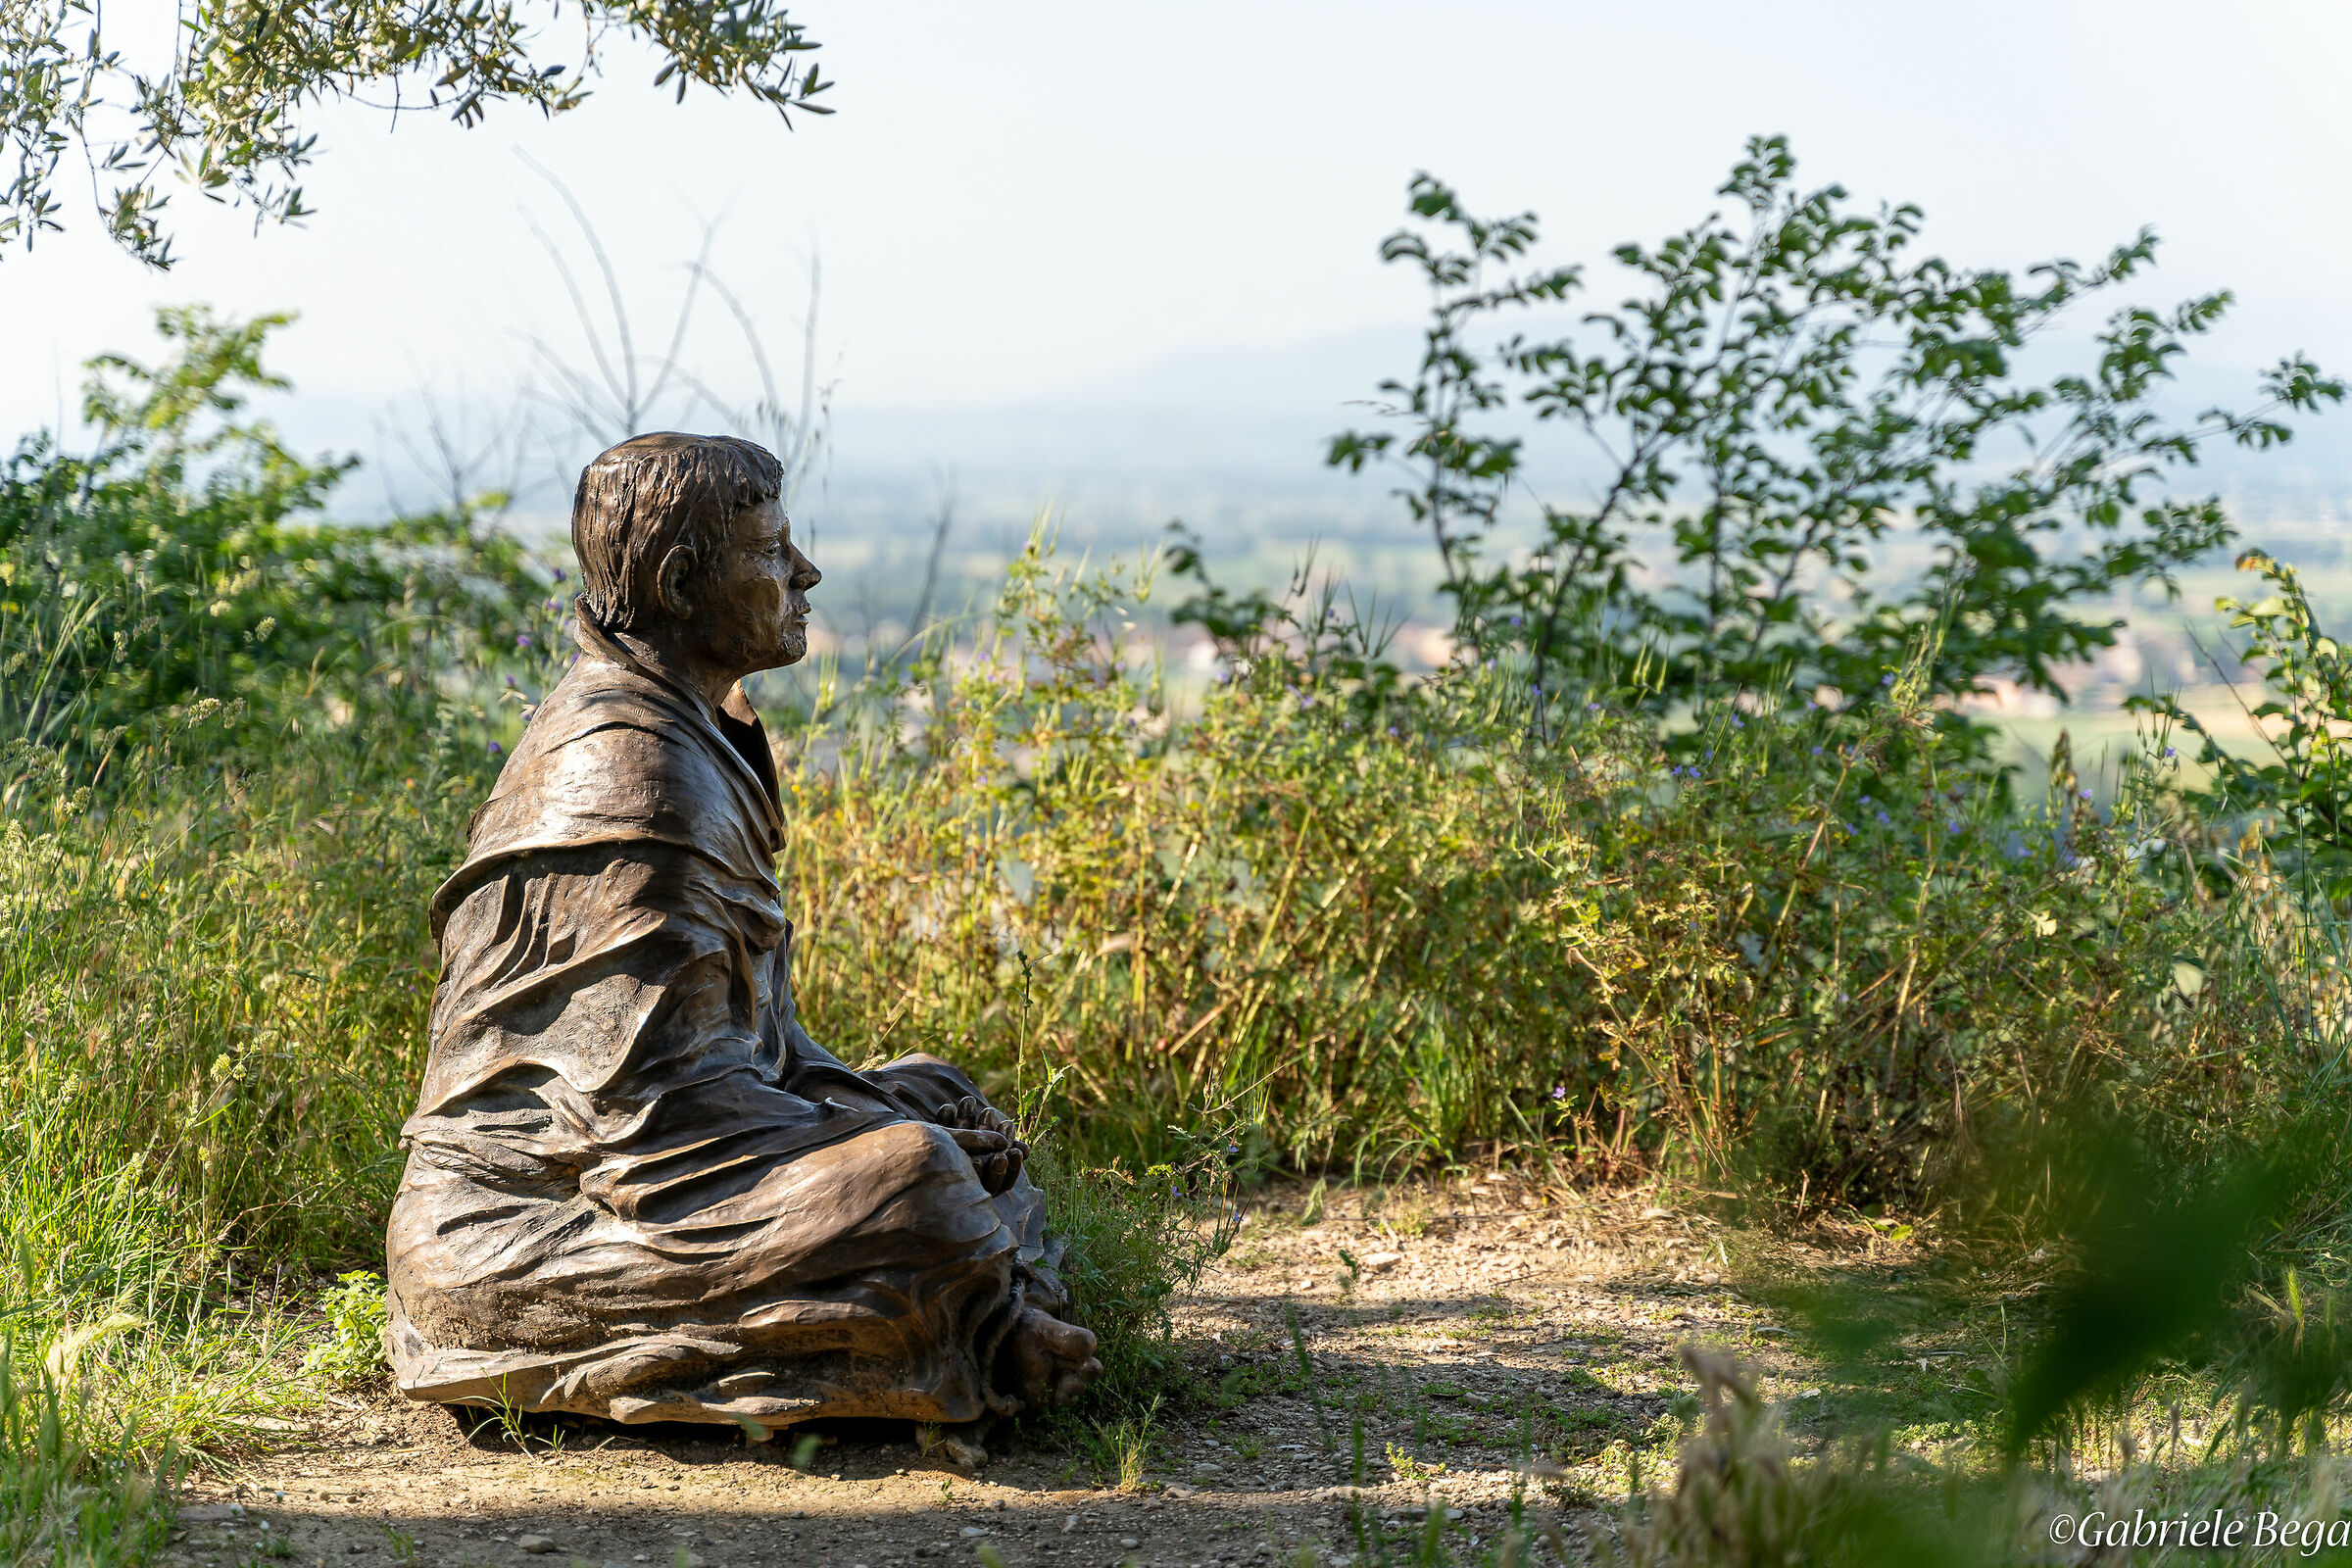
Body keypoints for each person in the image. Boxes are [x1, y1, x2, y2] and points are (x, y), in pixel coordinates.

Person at [385, 432, 1100, 1432]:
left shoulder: (696, 728)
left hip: (664, 1156)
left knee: (936, 1096)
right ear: (682, 584)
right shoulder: (634, 780)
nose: (803, 574)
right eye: (769, 554)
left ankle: (972, 1307)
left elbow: (746, 1045)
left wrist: (877, 1100)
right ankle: (984, 1319)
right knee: (922, 1183)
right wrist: (886, 1140)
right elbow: (652, 1131)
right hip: (523, 1224)